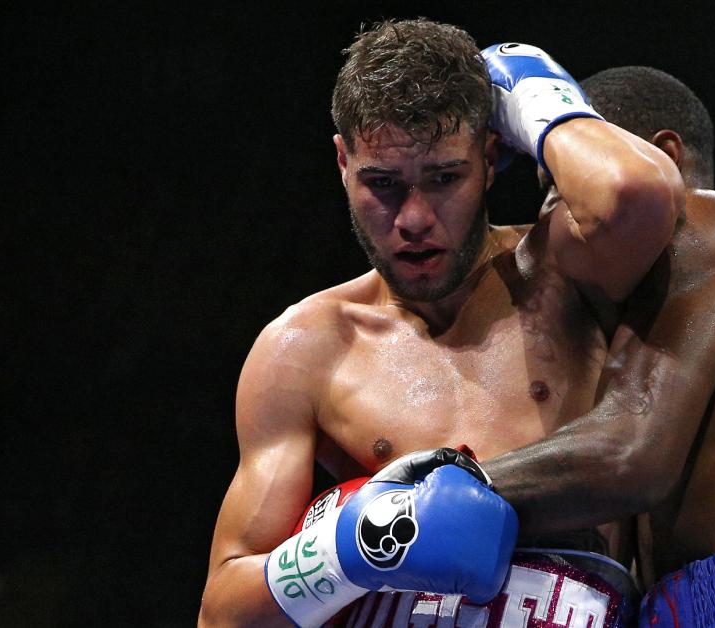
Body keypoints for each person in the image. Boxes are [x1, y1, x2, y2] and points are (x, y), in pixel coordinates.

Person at [198, 19, 683, 627]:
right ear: (343, 161)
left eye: (444, 178)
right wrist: (349, 550)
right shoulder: (306, 349)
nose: (414, 218)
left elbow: (640, 193)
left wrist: (532, 101)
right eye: (382, 184)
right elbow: (222, 614)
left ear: (490, 155)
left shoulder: (568, 278)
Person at [475, 66, 715, 626]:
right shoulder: (633, 308)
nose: (549, 217)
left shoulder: (710, 223)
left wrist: (435, 487)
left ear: (663, 157)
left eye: (562, 189)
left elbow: (628, 456)